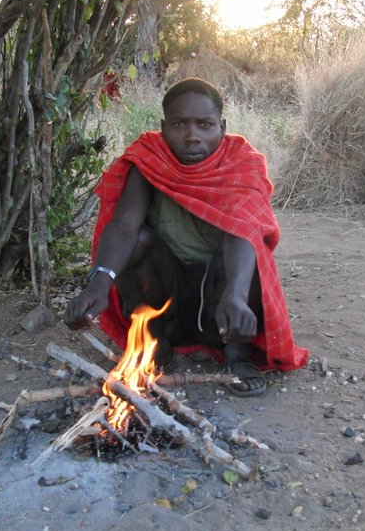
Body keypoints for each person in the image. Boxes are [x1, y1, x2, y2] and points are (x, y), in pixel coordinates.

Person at [64, 78, 308, 396]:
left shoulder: (241, 163)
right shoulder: (149, 159)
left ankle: (237, 352)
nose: (192, 136)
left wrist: (235, 296)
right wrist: (97, 285)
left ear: (222, 128)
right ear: (163, 128)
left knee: (250, 250)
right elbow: (124, 225)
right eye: (179, 124)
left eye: (204, 125)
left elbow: (245, 229)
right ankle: (154, 342)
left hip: (225, 298)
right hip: (169, 294)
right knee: (137, 242)